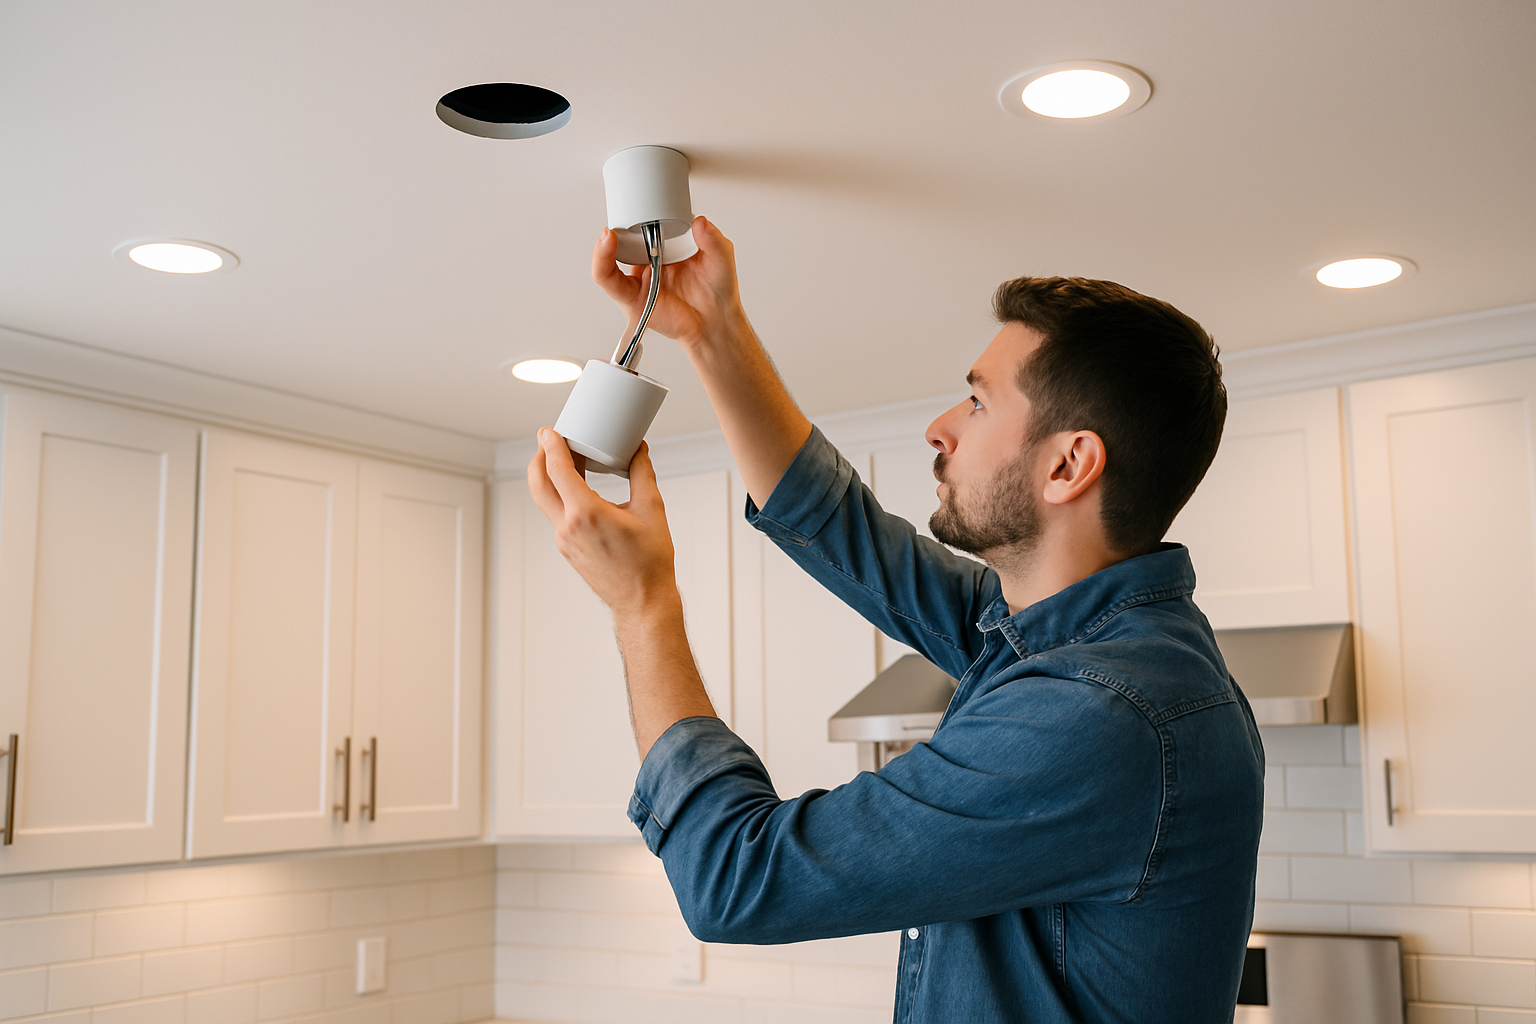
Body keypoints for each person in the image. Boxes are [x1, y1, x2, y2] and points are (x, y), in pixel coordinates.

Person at [526, 216, 1264, 1023]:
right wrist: (711, 330)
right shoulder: (1058, 638)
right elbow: (843, 529)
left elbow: (738, 881)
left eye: (978, 403)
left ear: (1068, 465)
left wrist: (643, 604)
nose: (940, 426)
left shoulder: (1098, 712)